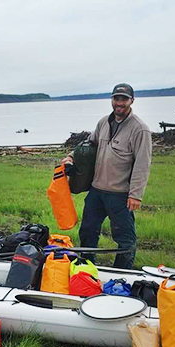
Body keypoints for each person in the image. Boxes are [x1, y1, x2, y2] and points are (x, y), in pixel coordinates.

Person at [63, 84, 152, 269]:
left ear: (131, 101)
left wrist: (135, 194)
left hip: (120, 194)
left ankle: (123, 273)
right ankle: (86, 268)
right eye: (116, 98)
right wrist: (71, 156)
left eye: (124, 99)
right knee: (87, 231)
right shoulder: (104, 122)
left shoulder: (140, 129)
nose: (120, 103)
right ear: (111, 100)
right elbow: (88, 144)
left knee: (125, 238)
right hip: (96, 191)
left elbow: (143, 164)